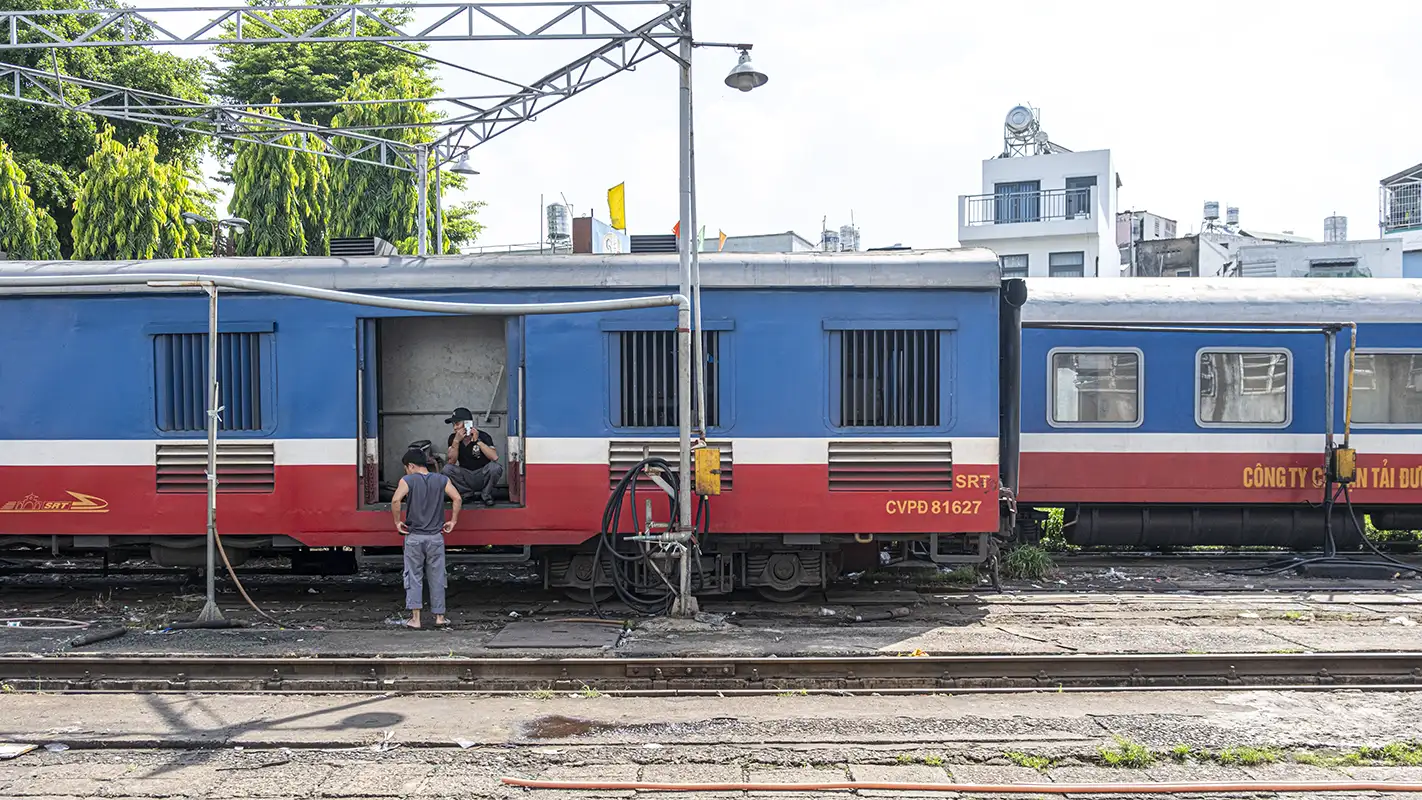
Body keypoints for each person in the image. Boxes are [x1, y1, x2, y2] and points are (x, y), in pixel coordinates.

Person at [391, 448, 462, 630]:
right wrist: (453, 521)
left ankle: (416, 619)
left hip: (414, 537)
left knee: (414, 576)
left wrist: (398, 522)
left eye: (406, 468)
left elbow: (396, 500)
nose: (406, 471)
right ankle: (439, 617)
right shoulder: (441, 480)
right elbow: (457, 498)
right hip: (436, 537)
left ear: (412, 465)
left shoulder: (407, 480)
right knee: (437, 576)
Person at [441, 407, 504, 508]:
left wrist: (477, 441)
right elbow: (452, 462)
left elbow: (494, 457)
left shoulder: (483, 436)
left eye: (457, 424)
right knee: (447, 469)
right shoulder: (453, 438)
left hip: (482, 474)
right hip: (465, 475)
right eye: (453, 425)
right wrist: (456, 442)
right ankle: (466, 494)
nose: (455, 428)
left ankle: (486, 495)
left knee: (495, 467)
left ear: (467, 424)